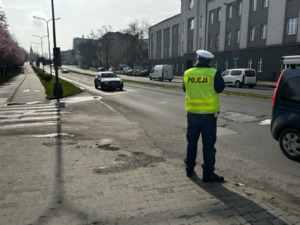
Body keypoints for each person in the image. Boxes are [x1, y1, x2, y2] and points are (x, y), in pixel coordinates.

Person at [182, 49, 225, 182]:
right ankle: (208, 173)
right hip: (208, 117)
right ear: (209, 61)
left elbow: (185, 89)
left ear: (197, 60)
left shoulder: (187, 73)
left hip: (192, 115)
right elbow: (220, 88)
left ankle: (189, 169)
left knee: (192, 143)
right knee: (208, 145)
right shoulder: (213, 73)